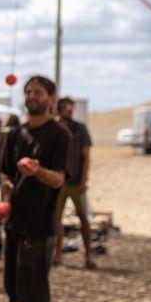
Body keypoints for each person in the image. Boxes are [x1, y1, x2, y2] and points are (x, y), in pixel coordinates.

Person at [0, 76, 68, 302]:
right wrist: (5, 195)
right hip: (15, 221)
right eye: (28, 91)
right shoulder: (14, 134)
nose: (32, 96)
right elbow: (5, 175)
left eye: (38, 92)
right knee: (16, 286)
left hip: (40, 224)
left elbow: (59, 179)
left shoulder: (60, 136)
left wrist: (37, 171)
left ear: (51, 98)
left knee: (35, 287)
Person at [53, 97, 96, 268]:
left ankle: (88, 256)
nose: (68, 111)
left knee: (83, 218)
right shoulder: (54, 129)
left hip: (76, 180)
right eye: (65, 108)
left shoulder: (80, 129)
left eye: (70, 108)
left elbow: (86, 156)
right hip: (59, 181)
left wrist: (84, 179)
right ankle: (57, 255)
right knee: (57, 219)